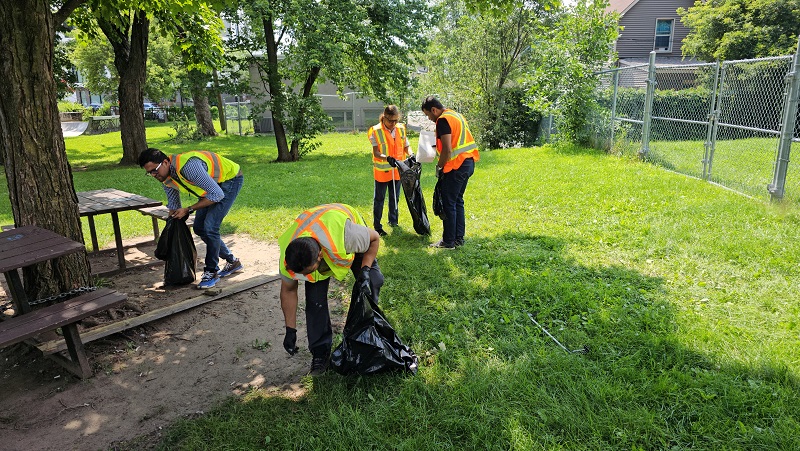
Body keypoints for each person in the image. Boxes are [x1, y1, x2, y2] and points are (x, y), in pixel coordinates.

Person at [278, 203, 383, 375]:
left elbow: (374, 239)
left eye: (308, 272)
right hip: (315, 235)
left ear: (320, 255)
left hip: (341, 230)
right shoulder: (290, 259)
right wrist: (290, 329)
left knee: (372, 282)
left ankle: (368, 334)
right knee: (315, 302)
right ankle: (320, 353)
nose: (305, 277)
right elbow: (288, 291)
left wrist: (364, 270)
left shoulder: (347, 236)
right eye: (301, 274)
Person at [139, 148, 245, 289]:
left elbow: (217, 195)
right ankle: (232, 262)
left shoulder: (189, 168)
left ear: (165, 162)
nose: (153, 175)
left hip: (229, 180)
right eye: (149, 173)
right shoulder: (166, 178)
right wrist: (171, 228)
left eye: (155, 170)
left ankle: (211, 271)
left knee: (210, 227)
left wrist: (189, 209)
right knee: (199, 228)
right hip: (211, 186)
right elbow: (174, 206)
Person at [420, 96, 480, 249]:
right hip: (468, 162)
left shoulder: (442, 120)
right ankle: (458, 239)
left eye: (428, 115)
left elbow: (447, 149)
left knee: (449, 203)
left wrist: (439, 167)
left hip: (456, 166)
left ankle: (448, 242)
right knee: (457, 201)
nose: (430, 119)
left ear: (434, 110)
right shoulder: (456, 115)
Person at [367, 105, 411, 236]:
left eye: (396, 120)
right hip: (382, 172)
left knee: (394, 198)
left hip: (397, 171)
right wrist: (387, 158)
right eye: (391, 120)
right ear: (384, 118)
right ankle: (377, 226)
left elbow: (406, 146)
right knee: (379, 199)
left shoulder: (401, 128)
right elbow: (376, 153)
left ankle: (393, 221)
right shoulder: (375, 131)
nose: (394, 123)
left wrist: (411, 154)